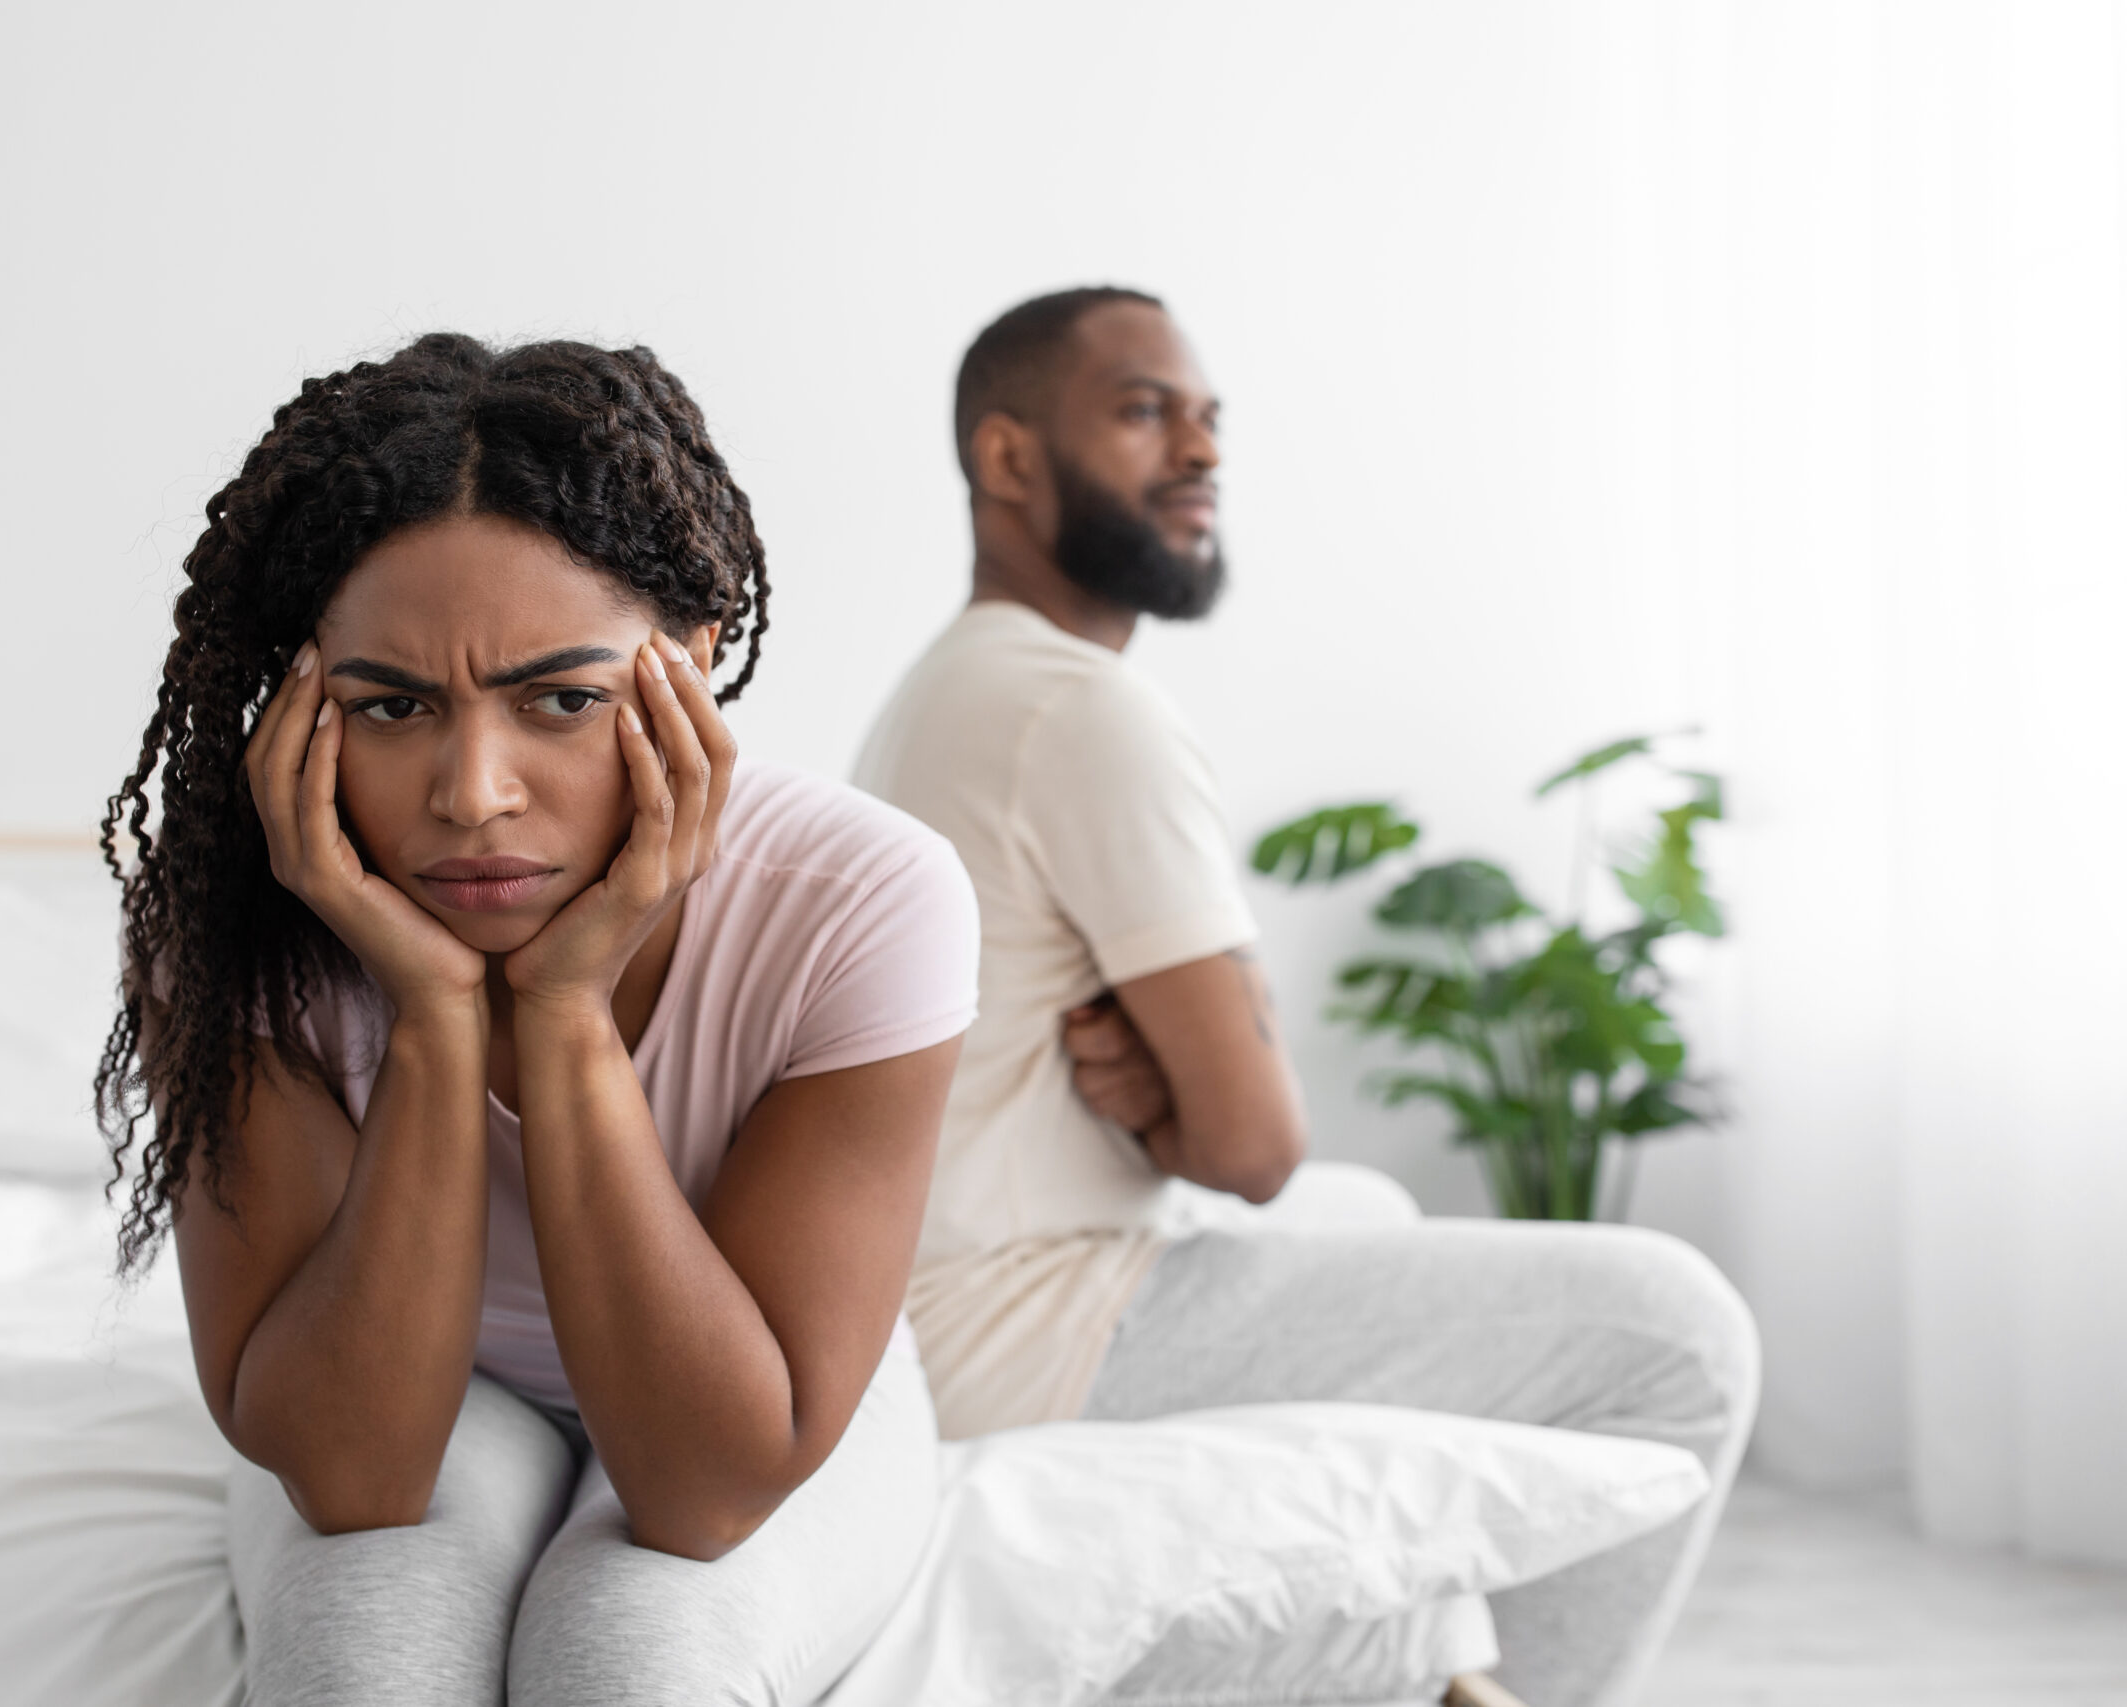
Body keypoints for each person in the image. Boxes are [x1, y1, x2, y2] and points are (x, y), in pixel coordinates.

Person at [853, 287, 1760, 1707]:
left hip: (950, 1300)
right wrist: (1187, 1101)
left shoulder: (955, 685)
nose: (1202, 451)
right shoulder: (1077, 707)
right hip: (1025, 1325)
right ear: (1008, 456)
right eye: (1146, 411)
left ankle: (1448, 1680)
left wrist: (1179, 1087)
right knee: (1678, 1333)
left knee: (1371, 1210)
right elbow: (1255, 1145)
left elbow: (1225, 1123)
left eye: (1210, 419)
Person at [97, 334, 979, 1706]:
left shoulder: (863, 901)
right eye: (392, 707)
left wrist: (563, 1010)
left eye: (562, 701)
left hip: (755, 1392)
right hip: (441, 1392)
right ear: (301, 705)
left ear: (692, 665)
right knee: (367, 1664)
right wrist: (436, 1014)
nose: (473, 794)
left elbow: (705, 1494)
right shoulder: (232, 929)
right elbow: (356, 1477)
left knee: (636, 1662)